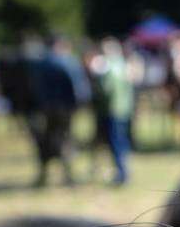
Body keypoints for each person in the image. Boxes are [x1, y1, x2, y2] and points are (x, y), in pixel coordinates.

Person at [30, 34, 90, 186]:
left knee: (47, 139)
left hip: (46, 108)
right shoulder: (67, 61)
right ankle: (68, 175)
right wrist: (81, 104)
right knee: (65, 138)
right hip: (65, 108)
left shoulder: (40, 63)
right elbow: (78, 87)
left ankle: (44, 175)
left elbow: (34, 87)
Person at [98, 37, 134, 185]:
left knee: (115, 143)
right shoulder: (124, 65)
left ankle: (121, 174)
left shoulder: (108, 68)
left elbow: (106, 90)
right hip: (124, 110)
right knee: (123, 142)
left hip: (113, 110)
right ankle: (125, 172)